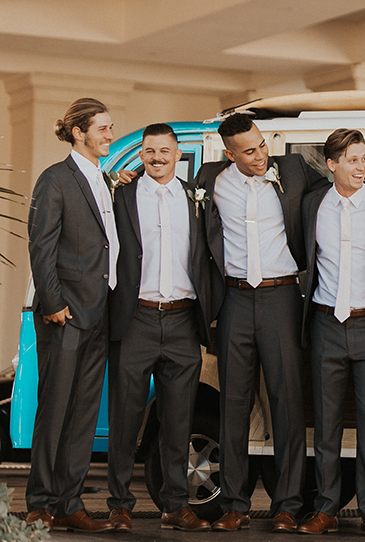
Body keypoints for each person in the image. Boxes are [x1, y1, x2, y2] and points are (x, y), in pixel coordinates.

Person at [194, 112, 325, 533]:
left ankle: (288, 504)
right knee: (233, 403)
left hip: (282, 296)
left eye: (262, 144)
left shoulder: (294, 168)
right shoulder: (209, 179)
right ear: (228, 153)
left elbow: (342, 188)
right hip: (233, 300)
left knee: (287, 401)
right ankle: (235, 503)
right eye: (248, 151)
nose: (260, 155)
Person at [105, 123, 213, 532]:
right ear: (142, 155)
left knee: (178, 419)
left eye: (164, 150)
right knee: (126, 417)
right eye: (149, 151)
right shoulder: (123, 195)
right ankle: (119, 505)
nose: (156, 157)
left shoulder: (196, 198)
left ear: (178, 153)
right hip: (136, 319)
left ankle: (175, 505)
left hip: (184, 319)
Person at [297, 129, 365, 537]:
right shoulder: (312, 204)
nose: (362, 167)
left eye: (364, 159)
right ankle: (325, 508)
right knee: (325, 424)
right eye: (353, 159)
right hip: (325, 323)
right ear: (332, 165)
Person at [25, 98, 118, 532]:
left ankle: (70, 502)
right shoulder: (54, 179)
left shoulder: (104, 180)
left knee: (83, 413)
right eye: (102, 128)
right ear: (79, 132)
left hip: (101, 312)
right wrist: (54, 301)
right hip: (66, 314)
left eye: (111, 127)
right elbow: (41, 246)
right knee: (56, 409)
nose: (109, 135)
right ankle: (40, 501)